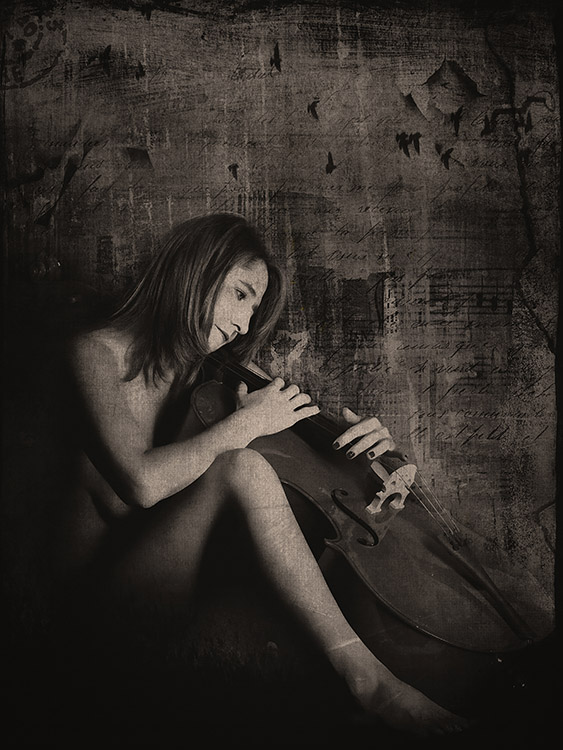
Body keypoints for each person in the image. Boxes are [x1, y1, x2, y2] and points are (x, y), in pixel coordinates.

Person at [58, 213, 468, 737]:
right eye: (241, 294)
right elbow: (141, 484)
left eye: (254, 311)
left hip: (175, 591)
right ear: (194, 270)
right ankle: (373, 685)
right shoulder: (93, 353)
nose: (244, 325)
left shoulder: (209, 371)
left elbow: (304, 463)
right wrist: (246, 425)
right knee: (243, 467)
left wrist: (373, 456)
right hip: (99, 611)